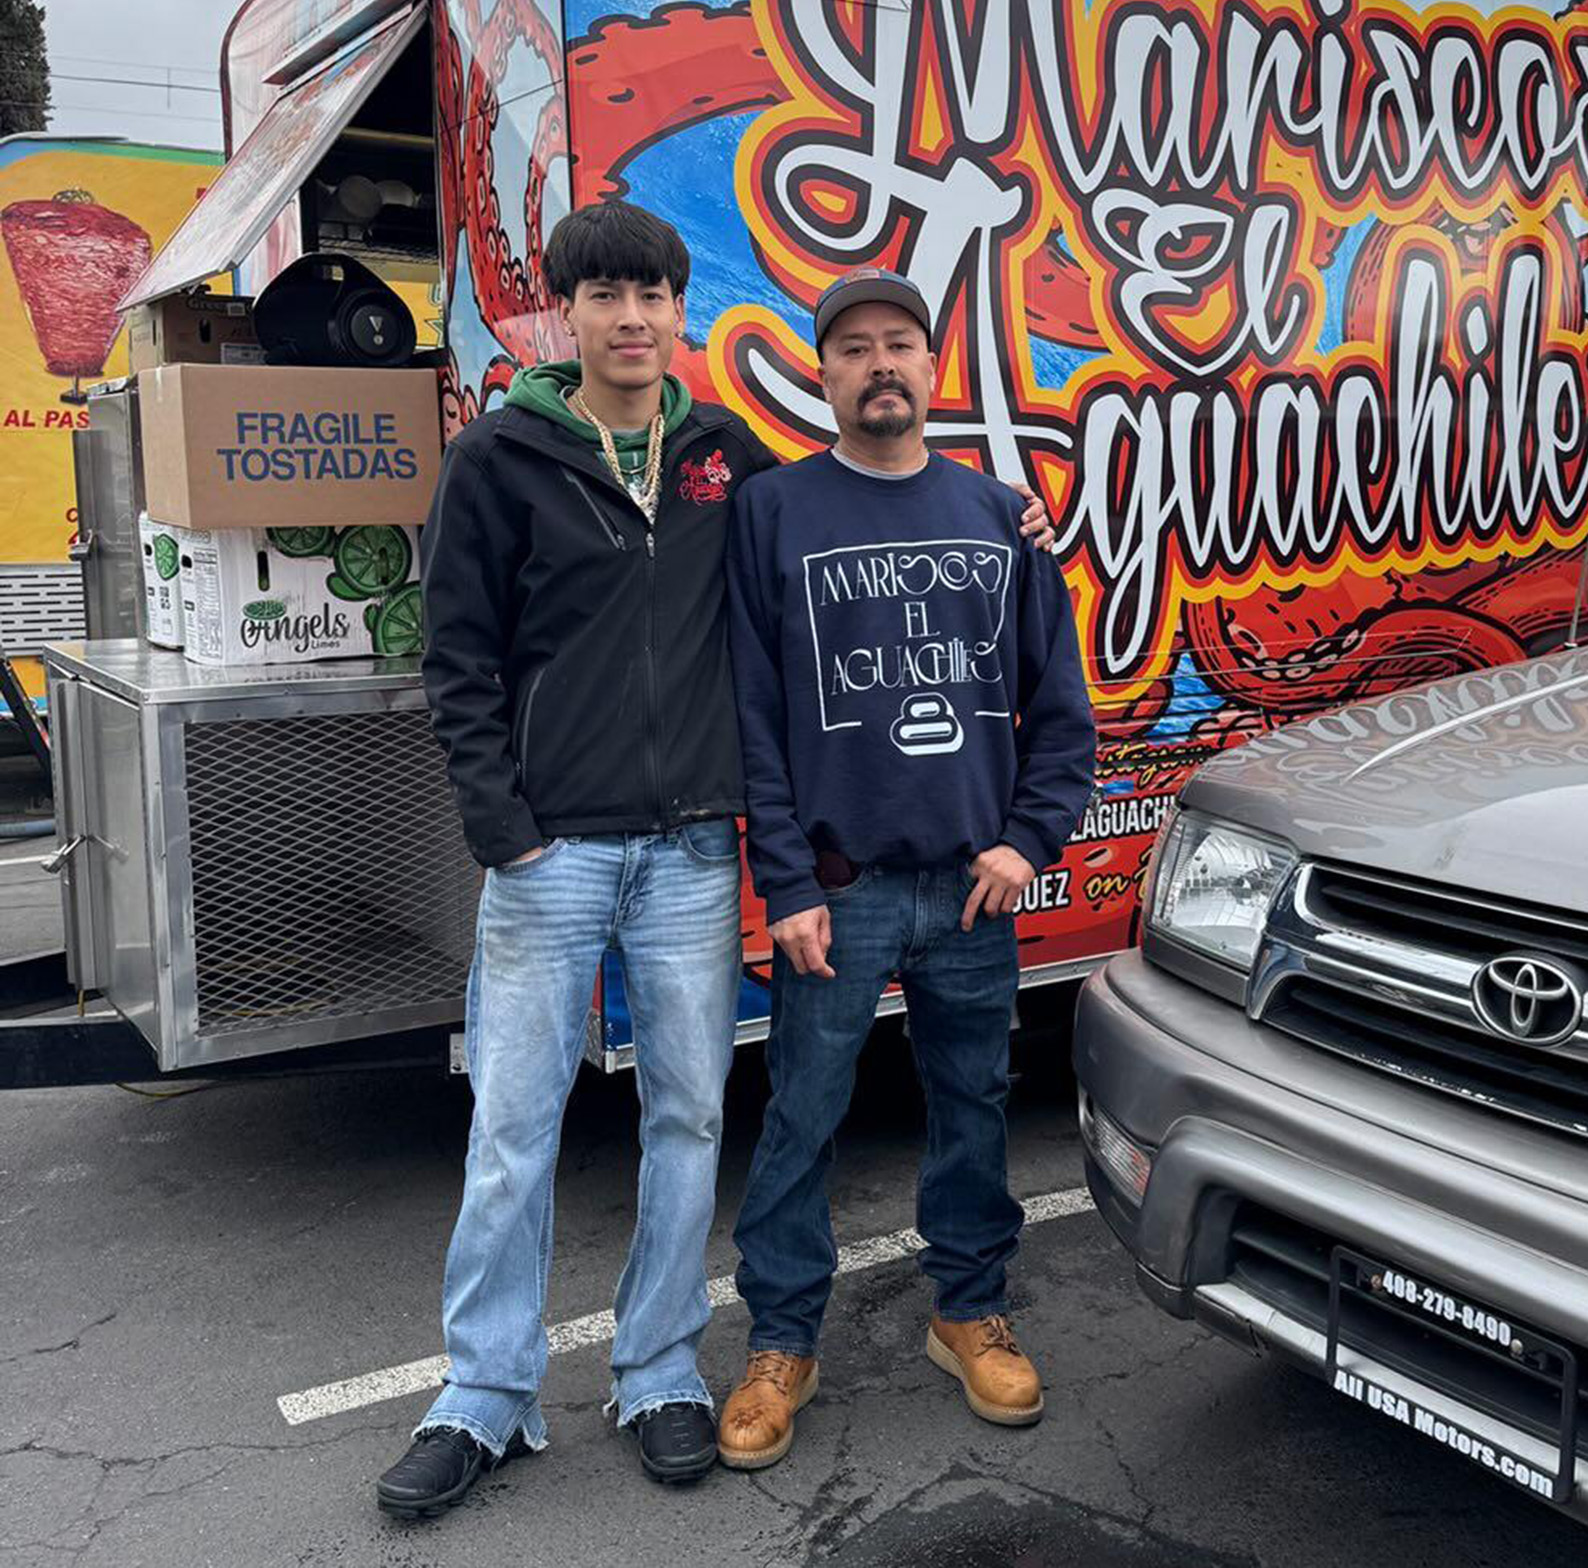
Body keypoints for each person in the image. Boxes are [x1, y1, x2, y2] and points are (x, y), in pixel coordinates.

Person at [377, 213, 1051, 1520]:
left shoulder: (723, 461)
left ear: (681, 314)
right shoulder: (498, 459)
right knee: (514, 1129)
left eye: (655, 293)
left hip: (691, 851)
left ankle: (659, 1371)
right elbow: (456, 660)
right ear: (562, 314)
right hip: (552, 854)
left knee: (688, 1118)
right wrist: (503, 828)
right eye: (607, 294)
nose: (633, 316)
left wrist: (1004, 504)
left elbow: (856, 501)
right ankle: (484, 1394)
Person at [717, 266, 1096, 1471]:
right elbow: (754, 717)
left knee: (973, 1103)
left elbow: (1060, 710)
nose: (879, 365)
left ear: (933, 367)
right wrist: (783, 882)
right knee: (801, 1114)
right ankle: (781, 1341)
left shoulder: (999, 514)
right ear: (819, 372)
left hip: (970, 889)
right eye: (853, 349)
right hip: (839, 887)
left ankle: (966, 1308)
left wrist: (1026, 839)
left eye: (900, 345)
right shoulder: (773, 513)